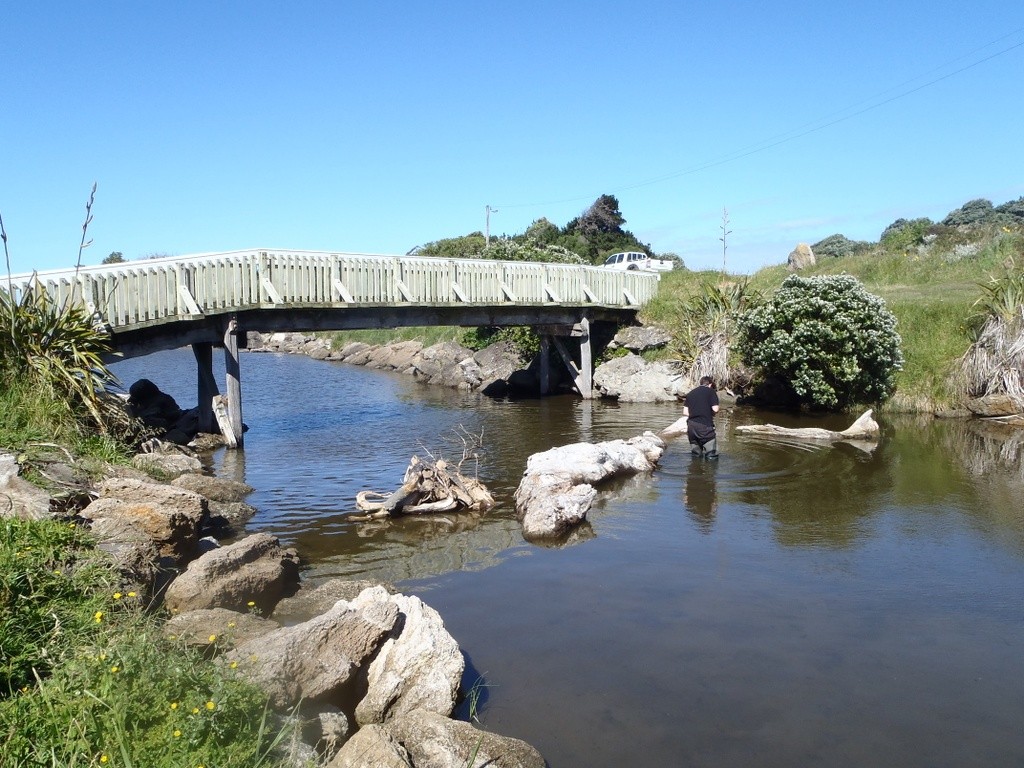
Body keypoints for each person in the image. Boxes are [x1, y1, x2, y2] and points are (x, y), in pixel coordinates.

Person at [683, 376, 720, 459]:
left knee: (696, 455)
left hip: (691, 427)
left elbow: (685, 412)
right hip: (705, 426)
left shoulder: (691, 393)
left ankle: (695, 466)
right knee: (711, 456)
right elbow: (715, 409)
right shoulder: (711, 391)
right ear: (710, 384)